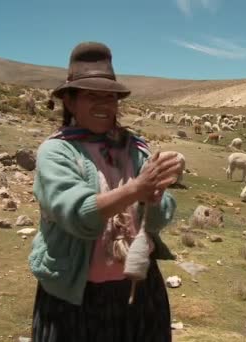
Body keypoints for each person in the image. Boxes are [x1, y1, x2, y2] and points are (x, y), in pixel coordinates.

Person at [28, 42, 182, 342]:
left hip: (139, 291)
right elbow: (77, 215)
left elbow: (158, 219)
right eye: (91, 95)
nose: (103, 104)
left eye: (109, 97)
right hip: (77, 301)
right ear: (70, 102)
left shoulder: (135, 149)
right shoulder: (56, 152)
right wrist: (137, 188)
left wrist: (155, 196)